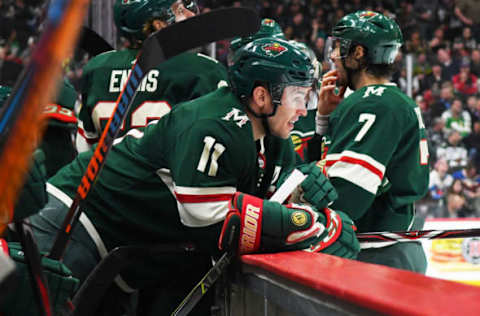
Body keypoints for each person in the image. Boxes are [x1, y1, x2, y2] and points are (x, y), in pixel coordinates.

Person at [13, 37, 359, 315]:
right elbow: (208, 217)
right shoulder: (213, 123)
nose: (304, 108)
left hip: (120, 245)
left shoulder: (272, 135)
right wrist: (311, 225)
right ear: (261, 96)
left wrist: (313, 210)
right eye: (299, 95)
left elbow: (276, 197)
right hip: (74, 223)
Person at [307, 11, 430, 273]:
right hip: (393, 248)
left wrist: (301, 222)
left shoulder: (373, 103)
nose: (331, 55)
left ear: (358, 53)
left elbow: (350, 194)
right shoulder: (388, 100)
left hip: (376, 252)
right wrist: (323, 121)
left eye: (338, 47)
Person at [76, 0, 228, 153]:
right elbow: (224, 145)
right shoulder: (203, 69)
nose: (192, 14)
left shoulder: (97, 68)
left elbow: (84, 146)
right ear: (159, 25)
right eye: (180, 10)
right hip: (170, 175)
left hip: (109, 173)